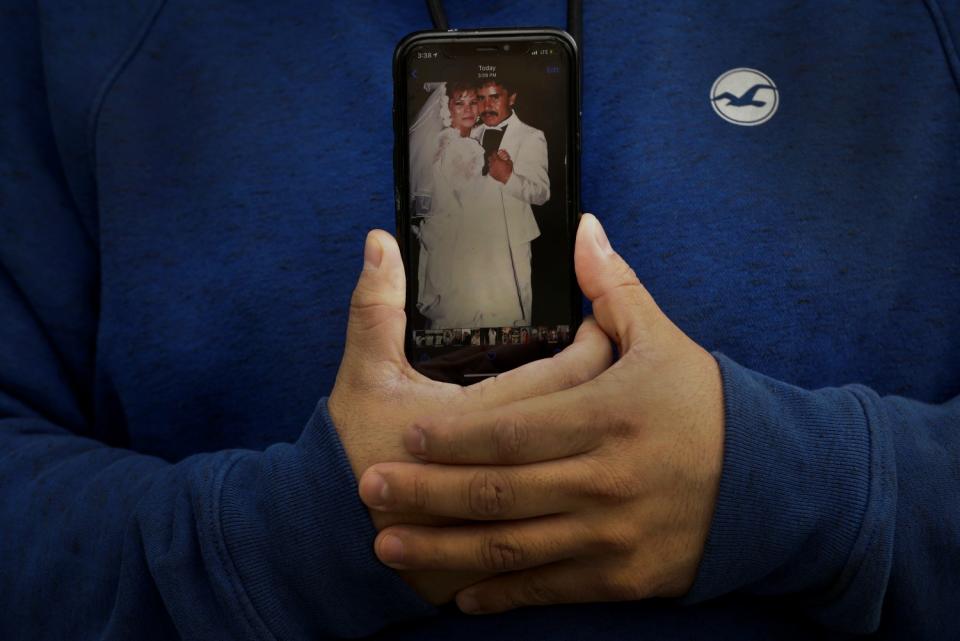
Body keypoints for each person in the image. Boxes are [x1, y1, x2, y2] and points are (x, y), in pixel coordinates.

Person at [1, 2, 958, 641]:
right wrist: (278, 536)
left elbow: (533, 187)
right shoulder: (76, 29)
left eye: (494, 96)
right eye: (474, 96)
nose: (485, 101)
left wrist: (790, 484)